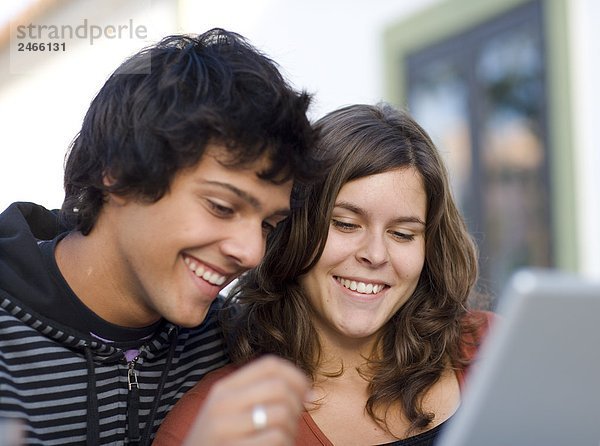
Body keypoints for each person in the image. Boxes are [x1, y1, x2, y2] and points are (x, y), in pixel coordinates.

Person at [0, 28, 323, 445]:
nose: (250, 252)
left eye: (267, 225)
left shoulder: (236, 345)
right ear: (117, 173)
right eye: (221, 207)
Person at [154, 103, 495, 446]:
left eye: (402, 234)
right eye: (345, 224)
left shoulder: (495, 349)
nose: (375, 255)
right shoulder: (212, 424)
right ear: (291, 230)